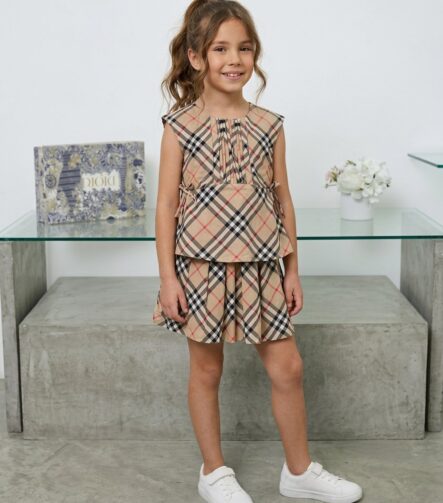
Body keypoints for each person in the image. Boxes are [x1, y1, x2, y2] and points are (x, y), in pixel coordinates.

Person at [153, 1, 363, 502]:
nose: (234, 59)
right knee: (207, 370)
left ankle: (299, 471)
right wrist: (167, 279)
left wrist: (292, 269)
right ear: (196, 57)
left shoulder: (270, 125)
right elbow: (165, 206)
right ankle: (213, 472)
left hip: (263, 266)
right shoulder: (178, 127)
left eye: (244, 48)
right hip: (200, 267)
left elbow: (282, 200)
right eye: (220, 49)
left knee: (288, 367)